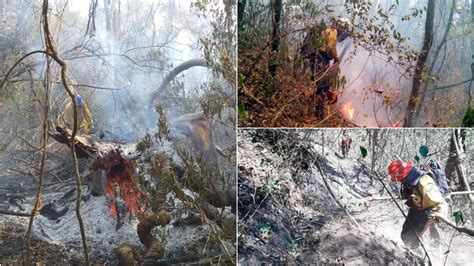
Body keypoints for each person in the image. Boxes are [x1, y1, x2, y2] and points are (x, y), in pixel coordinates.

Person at [387, 160, 448, 257]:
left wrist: (423, 230)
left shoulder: (424, 183)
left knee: (411, 239)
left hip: (428, 211)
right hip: (418, 207)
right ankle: (416, 253)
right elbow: (411, 192)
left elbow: (439, 207)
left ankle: (422, 258)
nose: (398, 181)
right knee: (405, 235)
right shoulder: (410, 177)